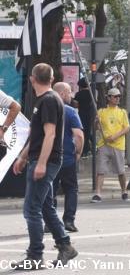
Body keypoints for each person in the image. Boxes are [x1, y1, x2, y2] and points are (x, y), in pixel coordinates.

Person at [11, 64, 78, 270]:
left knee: (31, 209)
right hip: (41, 159)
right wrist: (23, 156)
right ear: (51, 78)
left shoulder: (48, 100)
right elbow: (38, 135)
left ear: (32, 79)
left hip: (46, 161)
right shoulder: (44, 100)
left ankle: (35, 256)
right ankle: (65, 245)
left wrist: (40, 163)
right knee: (45, 206)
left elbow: (50, 134)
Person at [51, 83, 83, 231]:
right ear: (62, 93)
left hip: (49, 158)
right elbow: (78, 135)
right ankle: (69, 221)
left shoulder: (45, 108)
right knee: (71, 189)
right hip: (67, 158)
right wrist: (78, 152)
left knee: (49, 189)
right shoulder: (70, 111)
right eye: (69, 92)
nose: (71, 96)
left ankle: (50, 222)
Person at [92, 87, 130, 202]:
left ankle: (124, 191)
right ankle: (98, 193)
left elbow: (127, 128)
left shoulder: (122, 112)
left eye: (119, 96)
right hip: (103, 144)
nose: (117, 98)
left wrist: (115, 136)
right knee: (101, 170)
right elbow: (96, 128)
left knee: (121, 171)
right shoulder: (101, 112)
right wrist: (96, 122)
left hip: (118, 145)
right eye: (115, 96)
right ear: (109, 98)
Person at [72, 79, 95, 156]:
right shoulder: (91, 93)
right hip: (90, 114)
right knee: (88, 131)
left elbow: (76, 104)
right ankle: (89, 148)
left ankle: (84, 150)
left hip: (81, 114)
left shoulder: (78, 94)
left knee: (82, 131)